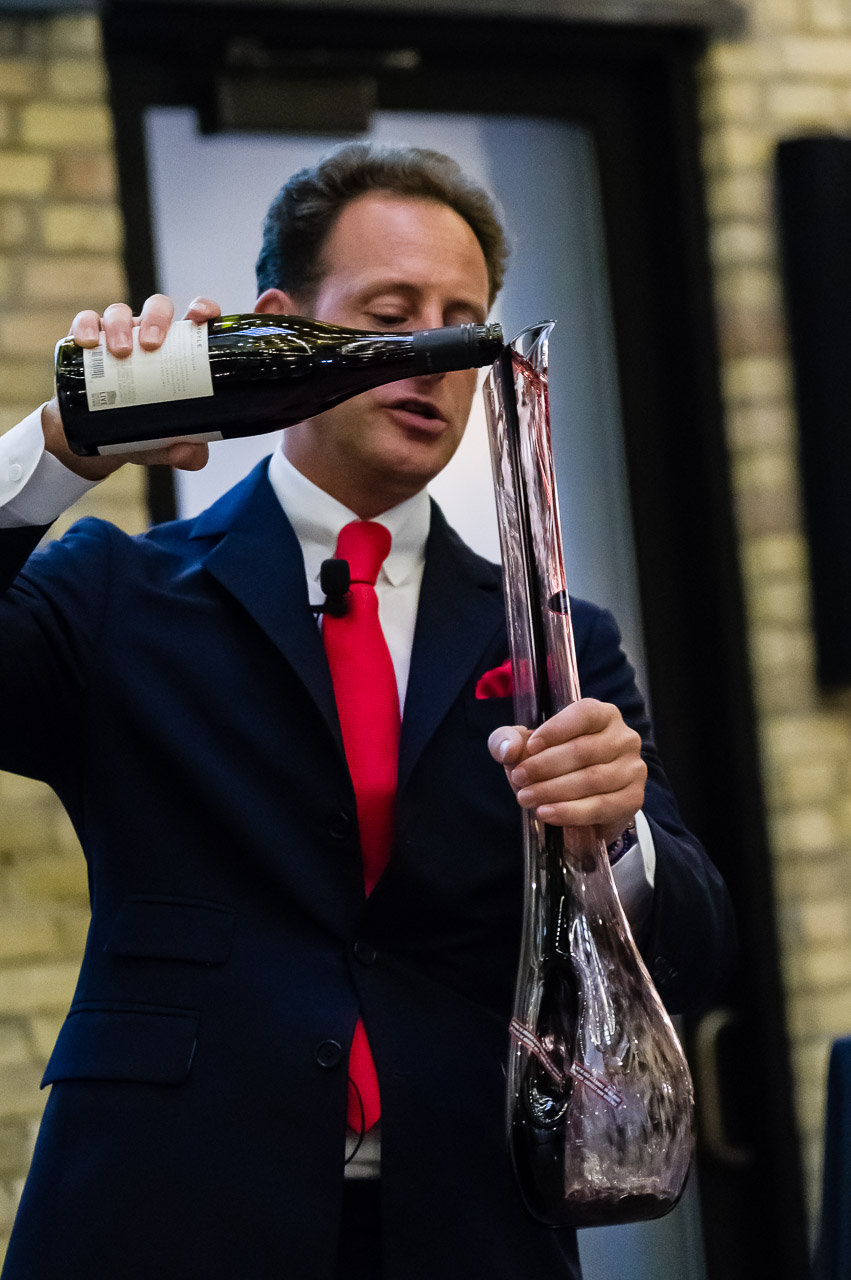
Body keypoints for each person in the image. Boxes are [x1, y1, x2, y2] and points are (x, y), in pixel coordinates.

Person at [0, 143, 734, 1280]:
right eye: (390, 318)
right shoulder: (117, 594)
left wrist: (615, 838)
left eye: (459, 323)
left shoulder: (554, 636)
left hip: (469, 1221)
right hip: (165, 1205)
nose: (428, 355)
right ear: (282, 327)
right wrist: (54, 454)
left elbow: (695, 945)